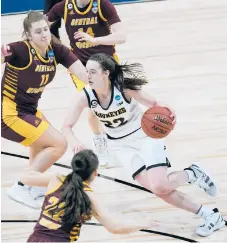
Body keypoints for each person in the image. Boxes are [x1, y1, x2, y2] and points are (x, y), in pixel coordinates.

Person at [61, 53, 226, 237]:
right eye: (87, 72)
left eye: (93, 72)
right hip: (120, 146)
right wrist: (74, 141)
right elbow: (66, 126)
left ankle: (192, 174)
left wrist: (167, 112)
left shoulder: (123, 88)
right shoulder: (84, 96)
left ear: (105, 73)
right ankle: (210, 215)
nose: (88, 76)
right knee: (159, 190)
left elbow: (155, 103)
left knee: (161, 186)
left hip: (145, 137)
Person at [1, 11, 89, 209]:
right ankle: (22, 186)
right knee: (59, 144)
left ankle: (33, 184)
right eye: (38, 31)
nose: (44, 34)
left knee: (43, 143)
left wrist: (109, 83)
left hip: (29, 110)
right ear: (28, 35)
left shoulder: (56, 50)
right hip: (9, 114)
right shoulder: (19, 50)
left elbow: (82, 73)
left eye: (45, 29)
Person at [22, 149, 178, 242]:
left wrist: (41, 151)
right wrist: (144, 223)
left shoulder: (55, 178)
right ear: (95, 173)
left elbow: (25, 177)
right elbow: (115, 228)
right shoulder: (90, 197)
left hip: (34, 239)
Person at [46, 0, 126, 166]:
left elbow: (121, 36)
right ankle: (100, 141)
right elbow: (41, 25)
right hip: (81, 66)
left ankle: (119, 138)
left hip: (107, 62)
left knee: (117, 103)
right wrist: (58, 47)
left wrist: (95, 40)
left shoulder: (103, 5)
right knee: (94, 104)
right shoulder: (63, 6)